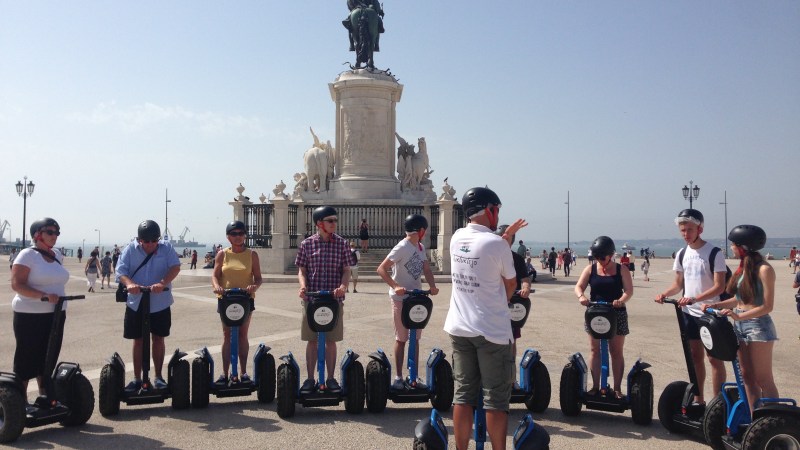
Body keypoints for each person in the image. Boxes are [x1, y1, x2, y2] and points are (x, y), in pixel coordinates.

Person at [443, 186, 527, 450]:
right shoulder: (497, 244)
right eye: (496, 209)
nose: (498, 214)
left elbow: (481, 252)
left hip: (459, 327)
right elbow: (511, 284)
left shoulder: (456, 238)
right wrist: (499, 300)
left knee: (463, 395)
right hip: (491, 330)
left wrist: (504, 236)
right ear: (488, 210)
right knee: (495, 399)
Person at [701, 225, 778, 414]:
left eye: (733, 244)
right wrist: (716, 305)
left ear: (743, 247)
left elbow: (767, 306)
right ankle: (755, 418)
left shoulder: (764, 270)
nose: (731, 248)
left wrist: (739, 315)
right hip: (741, 325)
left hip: (758, 327)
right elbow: (738, 300)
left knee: (763, 378)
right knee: (747, 377)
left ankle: (774, 419)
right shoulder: (744, 269)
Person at [655, 209, 727, 405]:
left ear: (700, 229)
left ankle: (718, 404)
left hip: (710, 313)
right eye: (682, 230)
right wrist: (665, 294)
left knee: (714, 359)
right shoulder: (681, 254)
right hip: (689, 313)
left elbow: (719, 286)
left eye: (689, 230)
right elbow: (678, 284)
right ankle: (699, 399)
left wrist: (695, 298)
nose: (686, 234)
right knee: (695, 357)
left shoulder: (714, 253)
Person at [295, 206, 355, 392]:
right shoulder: (307, 244)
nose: (334, 223)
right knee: (312, 340)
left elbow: (346, 270)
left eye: (335, 220)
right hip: (312, 299)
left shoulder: (342, 244)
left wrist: (343, 287)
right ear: (319, 223)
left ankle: (330, 378)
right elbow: (302, 270)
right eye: (330, 221)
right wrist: (303, 286)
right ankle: (310, 379)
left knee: (331, 340)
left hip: (333, 300)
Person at [116, 220, 181, 391]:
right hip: (136, 302)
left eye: (154, 240)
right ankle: (137, 378)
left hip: (160, 301)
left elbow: (175, 267)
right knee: (138, 340)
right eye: (146, 241)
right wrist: (130, 284)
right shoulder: (130, 249)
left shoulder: (166, 248)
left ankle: (158, 377)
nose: (151, 244)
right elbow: (121, 271)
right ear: (139, 240)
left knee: (158, 338)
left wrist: (163, 283)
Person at [376, 214, 439, 389]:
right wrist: (395, 286)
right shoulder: (402, 247)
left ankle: (414, 376)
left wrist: (432, 286)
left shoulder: (420, 247)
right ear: (421, 230)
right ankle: (398, 377)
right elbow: (381, 269)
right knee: (401, 338)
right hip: (400, 299)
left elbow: (426, 269)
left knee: (415, 338)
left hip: (416, 297)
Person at [10, 218, 69, 402]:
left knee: (48, 356)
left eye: (56, 233)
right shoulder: (27, 255)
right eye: (50, 232)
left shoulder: (57, 254)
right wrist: (42, 295)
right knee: (26, 359)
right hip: (30, 314)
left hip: (56, 314)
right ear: (37, 235)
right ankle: (19, 403)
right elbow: (17, 284)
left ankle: (45, 397)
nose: (54, 236)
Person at [574, 236, 633, 398]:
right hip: (595, 312)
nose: (599, 260)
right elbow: (579, 286)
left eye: (602, 257)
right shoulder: (590, 269)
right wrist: (581, 296)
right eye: (597, 257)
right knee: (595, 350)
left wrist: (621, 301)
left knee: (616, 351)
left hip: (616, 313)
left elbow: (629, 290)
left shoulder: (622, 270)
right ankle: (595, 386)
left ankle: (617, 388)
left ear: (611, 254)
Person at [211, 221, 262, 384]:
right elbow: (215, 275)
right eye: (234, 234)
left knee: (242, 334)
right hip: (226, 299)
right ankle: (225, 373)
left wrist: (254, 286)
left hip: (245, 299)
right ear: (228, 237)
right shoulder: (222, 254)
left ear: (245, 235)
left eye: (241, 233)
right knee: (227, 335)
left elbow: (258, 278)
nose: (238, 237)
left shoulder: (252, 254)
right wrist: (217, 286)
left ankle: (243, 372)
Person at [495, 224, 532, 389]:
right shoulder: (490, 257)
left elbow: (524, 278)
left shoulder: (516, 258)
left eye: (506, 238)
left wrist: (526, 287)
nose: (502, 240)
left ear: (511, 241)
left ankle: (511, 379)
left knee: (511, 342)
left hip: (511, 305)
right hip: (492, 305)